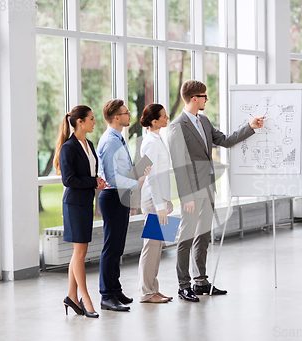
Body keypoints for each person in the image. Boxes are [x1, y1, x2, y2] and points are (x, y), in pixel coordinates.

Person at [168, 79, 264, 302]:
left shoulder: (203, 120)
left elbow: (225, 140)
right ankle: (183, 286)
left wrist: (250, 127)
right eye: (204, 96)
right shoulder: (177, 126)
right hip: (192, 192)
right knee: (186, 238)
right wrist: (187, 196)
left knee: (203, 235)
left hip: (208, 188)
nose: (206, 99)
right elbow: (179, 165)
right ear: (194, 98)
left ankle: (200, 281)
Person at [53, 105, 107, 318]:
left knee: (79, 252)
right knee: (80, 252)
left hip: (86, 203)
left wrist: (97, 181)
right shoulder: (69, 147)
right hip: (74, 204)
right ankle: (85, 297)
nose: (95, 122)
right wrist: (92, 181)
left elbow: (90, 172)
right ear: (80, 122)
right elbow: (68, 179)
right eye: (92, 119)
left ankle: (71, 296)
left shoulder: (89, 143)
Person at [97, 99, 150, 312]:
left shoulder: (118, 138)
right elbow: (110, 176)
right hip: (113, 196)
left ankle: (115, 289)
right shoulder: (110, 141)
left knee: (118, 246)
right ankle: (106, 295)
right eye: (126, 113)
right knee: (111, 247)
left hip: (121, 195)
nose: (130, 115)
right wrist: (135, 183)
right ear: (116, 117)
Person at [137, 104, 174, 304]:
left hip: (158, 199)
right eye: (164, 116)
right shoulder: (150, 142)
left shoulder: (157, 138)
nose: (167, 118)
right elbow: (151, 177)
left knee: (157, 246)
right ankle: (146, 292)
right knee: (151, 246)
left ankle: (153, 289)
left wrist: (166, 201)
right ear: (154, 121)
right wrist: (159, 205)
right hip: (152, 201)